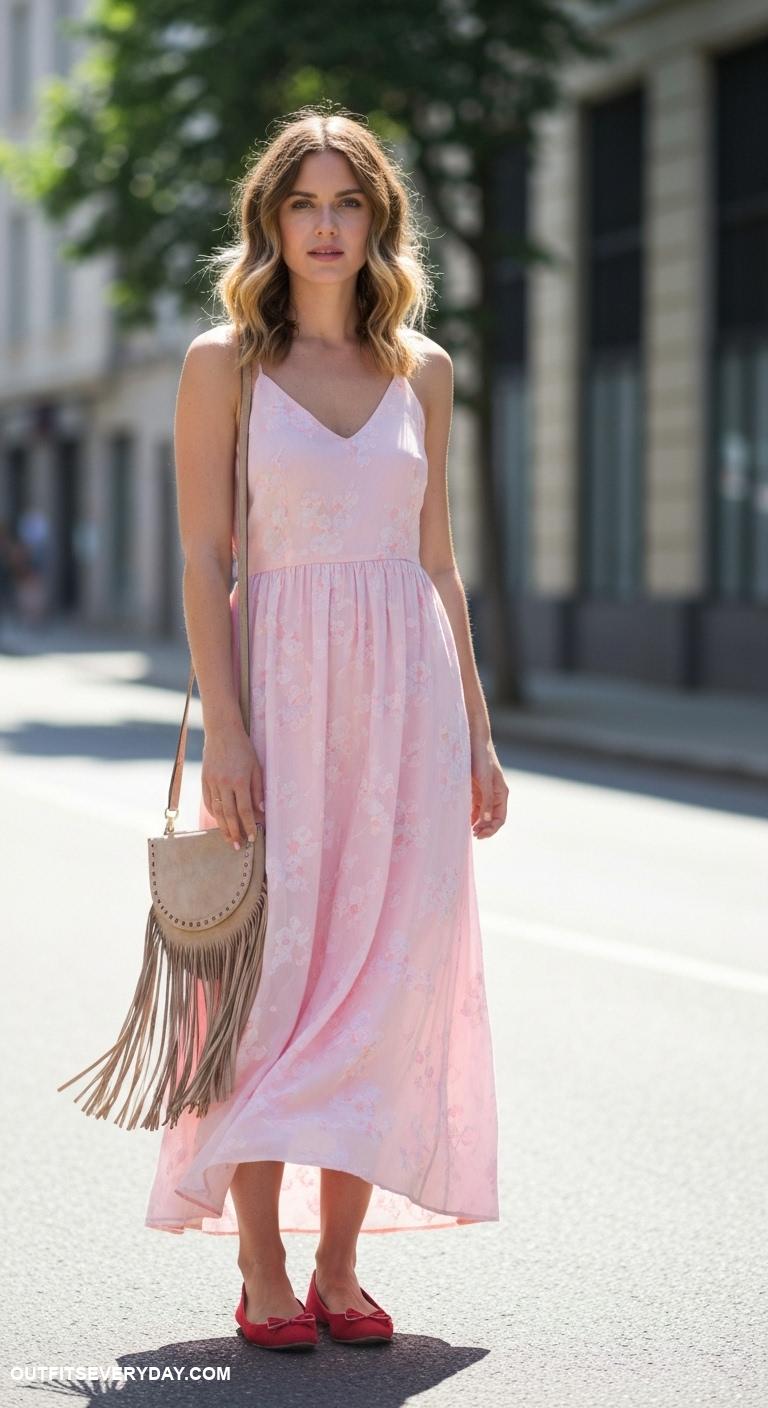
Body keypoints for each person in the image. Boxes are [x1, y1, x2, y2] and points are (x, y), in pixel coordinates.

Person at [144, 106, 508, 1350]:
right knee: (273, 986)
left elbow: (437, 559)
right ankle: (259, 1265)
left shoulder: (425, 370)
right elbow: (202, 557)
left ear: (378, 220)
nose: (326, 224)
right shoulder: (223, 365)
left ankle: (340, 1269)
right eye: (303, 202)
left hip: (405, 709)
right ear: (272, 221)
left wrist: (477, 723)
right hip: (282, 704)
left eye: (347, 202)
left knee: (387, 986)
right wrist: (230, 733)